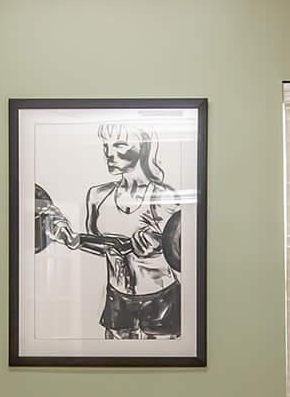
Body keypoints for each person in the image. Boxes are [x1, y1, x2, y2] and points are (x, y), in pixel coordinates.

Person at [38, 123, 183, 339]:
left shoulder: (164, 197)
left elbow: (184, 250)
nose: (109, 154)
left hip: (160, 300)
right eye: (106, 146)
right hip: (117, 299)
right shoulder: (97, 195)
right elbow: (104, 247)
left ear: (143, 148)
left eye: (120, 145)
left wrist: (158, 244)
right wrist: (71, 239)